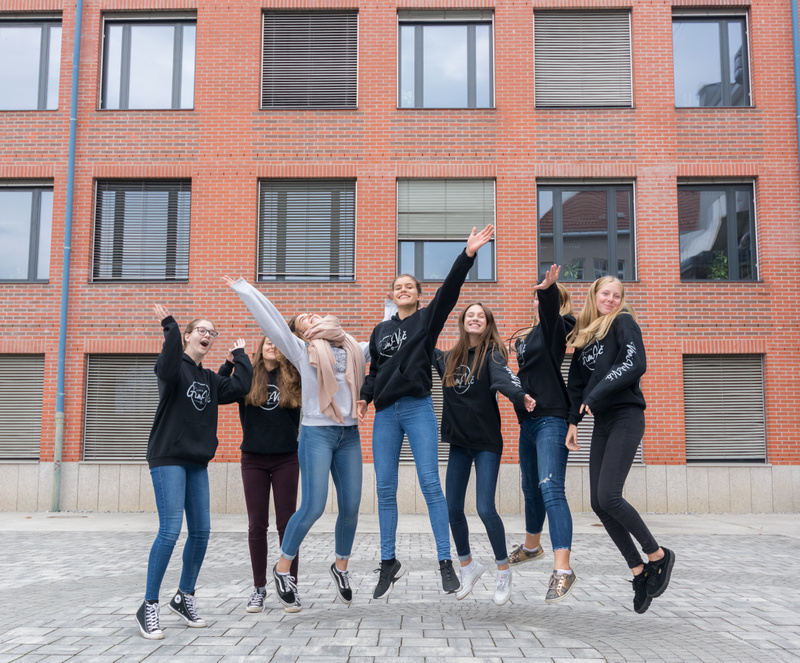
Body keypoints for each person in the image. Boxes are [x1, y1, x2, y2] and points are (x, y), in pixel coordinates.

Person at [357, 224, 495, 599]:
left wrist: (467, 254)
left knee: (431, 484)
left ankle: (445, 562)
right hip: (386, 413)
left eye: (410, 287)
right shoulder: (380, 331)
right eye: (398, 287)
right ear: (392, 295)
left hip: (418, 408)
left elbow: (450, 290)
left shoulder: (426, 320)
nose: (403, 290)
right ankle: (388, 561)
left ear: (419, 296)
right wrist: (365, 397)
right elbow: (374, 370)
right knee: (384, 488)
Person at [224, 275, 368, 611]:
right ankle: (282, 568)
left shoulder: (351, 346)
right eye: (302, 319)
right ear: (300, 333)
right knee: (313, 506)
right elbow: (272, 321)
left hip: (349, 434)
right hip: (317, 433)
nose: (311, 315)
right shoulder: (302, 351)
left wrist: (394, 306)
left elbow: (384, 342)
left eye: (312, 313)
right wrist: (246, 289)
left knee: (351, 506)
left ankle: (340, 567)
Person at [136, 305, 252, 640]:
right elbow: (167, 361)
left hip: (196, 462)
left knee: (201, 532)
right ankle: (149, 605)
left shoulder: (209, 379)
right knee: (170, 531)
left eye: (212, 333)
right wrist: (170, 326)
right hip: (168, 457)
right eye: (202, 330)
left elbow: (240, 387)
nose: (208, 335)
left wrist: (238, 357)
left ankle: (183, 597)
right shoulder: (174, 368)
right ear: (188, 336)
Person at [565, 276, 675, 614]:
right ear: (594, 295)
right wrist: (573, 422)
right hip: (602, 421)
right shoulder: (586, 336)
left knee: (610, 495)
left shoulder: (623, 322)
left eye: (616, 295)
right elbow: (576, 384)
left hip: (626, 416)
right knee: (599, 503)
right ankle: (639, 571)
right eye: (605, 294)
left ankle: (658, 555)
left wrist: (595, 396)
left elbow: (634, 363)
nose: (611, 299)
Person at [434, 302, 536, 605]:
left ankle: (503, 569)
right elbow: (421, 343)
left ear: (487, 323)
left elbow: (504, 378)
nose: (475, 319)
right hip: (459, 443)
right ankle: (468, 566)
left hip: (486, 443)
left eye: (481, 315)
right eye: (470, 315)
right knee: (452, 508)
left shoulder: (492, 354)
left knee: (485, 508)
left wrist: (519, 395)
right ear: (463, 322)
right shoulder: (448, 358)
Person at [507, 265, 579, 603]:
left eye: (547, 299)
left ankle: (563, 569)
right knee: (530, 489)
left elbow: (552, 317)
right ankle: (532, 546)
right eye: (536, 298)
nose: (538, 302)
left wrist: (549, 290)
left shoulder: (556, 329)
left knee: (550, 487)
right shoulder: (527, 337)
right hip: (528, 423)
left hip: (551, 418)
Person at [218, 335, 302, 614]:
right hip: (253, 459)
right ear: (260, 348)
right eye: (268, 342)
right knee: (257, 526)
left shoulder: (294, 376)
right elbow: (219, 391)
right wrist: (229, 363)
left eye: (277, 342)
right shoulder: (248, 376)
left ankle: (289, 584)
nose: (272, 346)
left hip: (286, 458)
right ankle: (259, 588)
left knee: (287, 525)